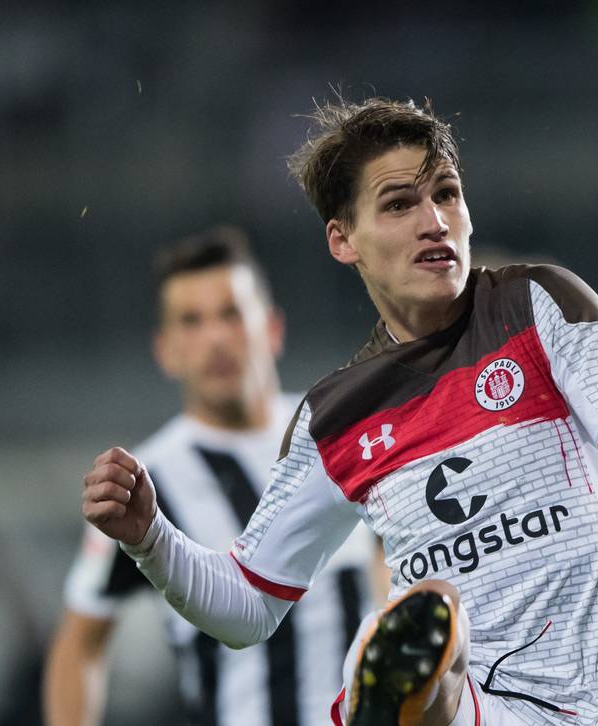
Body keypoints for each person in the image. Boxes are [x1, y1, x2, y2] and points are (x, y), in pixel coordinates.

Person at [79, 98, 598, 726]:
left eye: (447, 194)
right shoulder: (335, 419)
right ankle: (402, 699)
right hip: (474, 710)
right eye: (399, 204)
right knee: (419, 627)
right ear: (343, 238)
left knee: (414, 629)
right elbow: (249, 603)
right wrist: (150, 539)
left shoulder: (538, 305)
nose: (434, 221)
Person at [46, 227, 377, 726]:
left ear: (272, 328)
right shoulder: (147, 482)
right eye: (191, 321)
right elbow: (80, 641)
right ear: (165, 350)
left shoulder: (344, 437)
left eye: (231, 314)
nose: (216, 338)